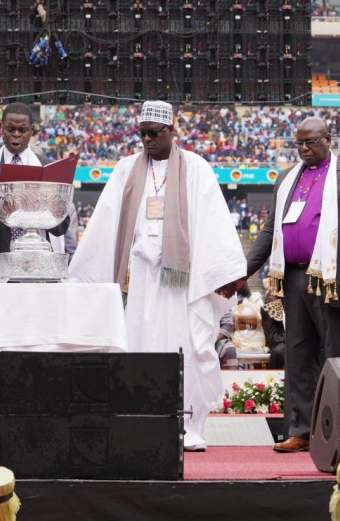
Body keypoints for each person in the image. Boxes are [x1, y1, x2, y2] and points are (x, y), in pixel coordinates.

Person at [68, 101, 247, 451]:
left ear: (171, 130)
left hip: (181, 282)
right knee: (135, 344)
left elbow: (213, 225)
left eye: (153, 133)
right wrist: (85, 277)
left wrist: (222, 272)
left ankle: (187, 424)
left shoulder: (196, 168)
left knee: (185, 347)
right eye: (142, 134)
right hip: (140, 281)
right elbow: (105, 226)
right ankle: (136, 418)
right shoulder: (125, 170)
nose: (147, 140)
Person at [247, 117, 340, 453]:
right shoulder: (286, 178)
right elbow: (269, 231)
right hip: (293, 277)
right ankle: (301, 428)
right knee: (297, 352)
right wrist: (243, 270)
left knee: (335, 353)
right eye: (300, 144)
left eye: (311, 142)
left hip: (331, 279)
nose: (305, 149)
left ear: (328, 138)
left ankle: (338, 428)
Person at [0, 102, 71, 441]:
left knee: (33, 349)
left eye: (23, 129)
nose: (17, 135)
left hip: (35, 270)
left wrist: (51, 205)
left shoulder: (47, 169)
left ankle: (30, 425)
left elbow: (61, 226)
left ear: (33, 131)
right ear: (2, 129)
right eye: (11, 129)